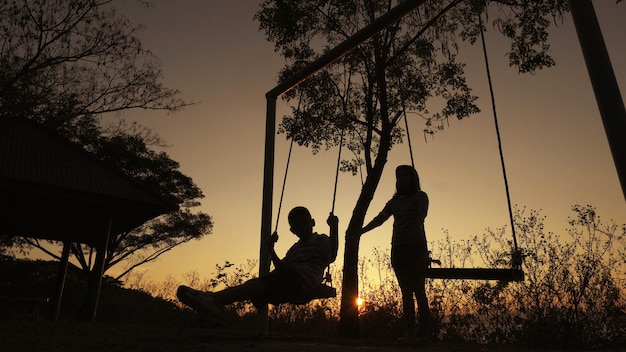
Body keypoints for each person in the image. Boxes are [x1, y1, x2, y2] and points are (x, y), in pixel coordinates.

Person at [177, 206, 339, 314]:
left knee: (259, 286)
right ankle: (215, 304)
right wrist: (271, 249)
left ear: (312, 223)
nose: (302, 228)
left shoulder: (321, 240)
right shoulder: (294, 249)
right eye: (297, 226)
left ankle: (213, 300)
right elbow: (281, 267)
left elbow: (331, 256)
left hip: (303, 281)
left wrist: (334, 227)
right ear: (292, 230)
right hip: (287, 279)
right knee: (256, 287)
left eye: (305, 223)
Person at [358, 165, 431, 342]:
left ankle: (425, 334)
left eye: (405, 176)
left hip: (415, 247)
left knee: (419, 291)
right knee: (406, 293)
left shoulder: (420, 197)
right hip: (398, 248)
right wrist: (361, 231)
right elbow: (380, 218)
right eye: (398, 177)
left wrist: (417, 225)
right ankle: (411, 334)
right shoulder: (394, 202)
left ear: (412, 178)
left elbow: (421, 216)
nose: (401, 180)